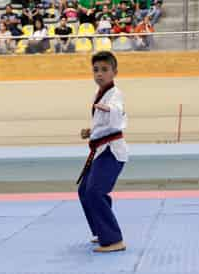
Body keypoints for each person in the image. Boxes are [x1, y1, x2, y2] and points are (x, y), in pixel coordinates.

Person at [78, 51, 128, 253]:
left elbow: (117, 114)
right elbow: (103, 124)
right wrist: (91, 131)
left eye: (105, 70)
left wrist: (110, 110)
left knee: (95, 191)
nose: (99, 74)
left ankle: (114, 240)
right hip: (100, 149)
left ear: (114, 72)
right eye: (96, 70)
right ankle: (101, 231)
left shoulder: (115, 95)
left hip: (112, 152)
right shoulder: (99, 94)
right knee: (84, 191)